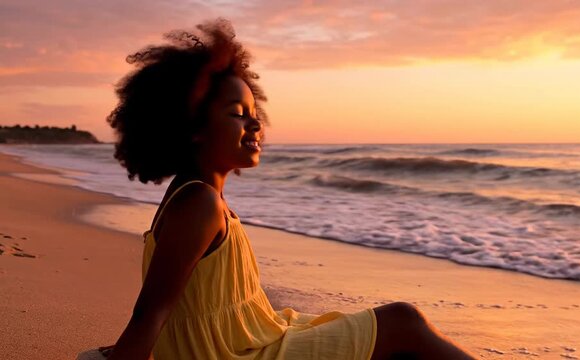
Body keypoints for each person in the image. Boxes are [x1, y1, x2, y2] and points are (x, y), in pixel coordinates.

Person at [100, 18, 477, 360]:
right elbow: (150, 312)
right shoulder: (199, 203)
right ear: (192, 127)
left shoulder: (196, 197)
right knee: (403, 321)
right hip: (235, 354)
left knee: (367, 331)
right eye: (236, 113)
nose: (253, 125)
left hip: (245, 338)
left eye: (254, 114)